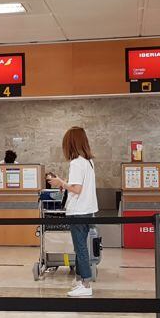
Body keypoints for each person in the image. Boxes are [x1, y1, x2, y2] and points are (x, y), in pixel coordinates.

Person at [48, 127, 98, 297]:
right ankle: (81, 281)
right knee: (81, 247)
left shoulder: (76, 162)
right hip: (87, 210)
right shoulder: (89, 162)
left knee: (80, 248)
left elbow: (76, 189)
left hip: (78, 211)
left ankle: (85, 283)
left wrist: (60, 182)